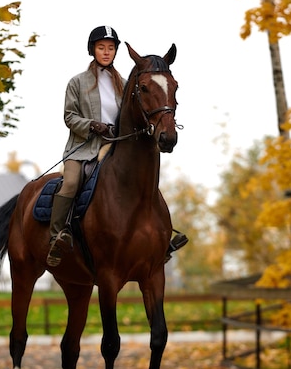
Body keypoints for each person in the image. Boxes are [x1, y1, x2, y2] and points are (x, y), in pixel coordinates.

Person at [46, 25, 188, 267]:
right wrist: (93, 125)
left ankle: (161, 236)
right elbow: (69, 117)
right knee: (70, 183)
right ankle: (57, 236)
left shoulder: (125, 83)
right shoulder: (77, 82)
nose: (106, 52)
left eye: (110, 48)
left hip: (116, 145)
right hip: (83, 147)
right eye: (101, 47)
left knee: (144, 181)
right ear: (93, 50)